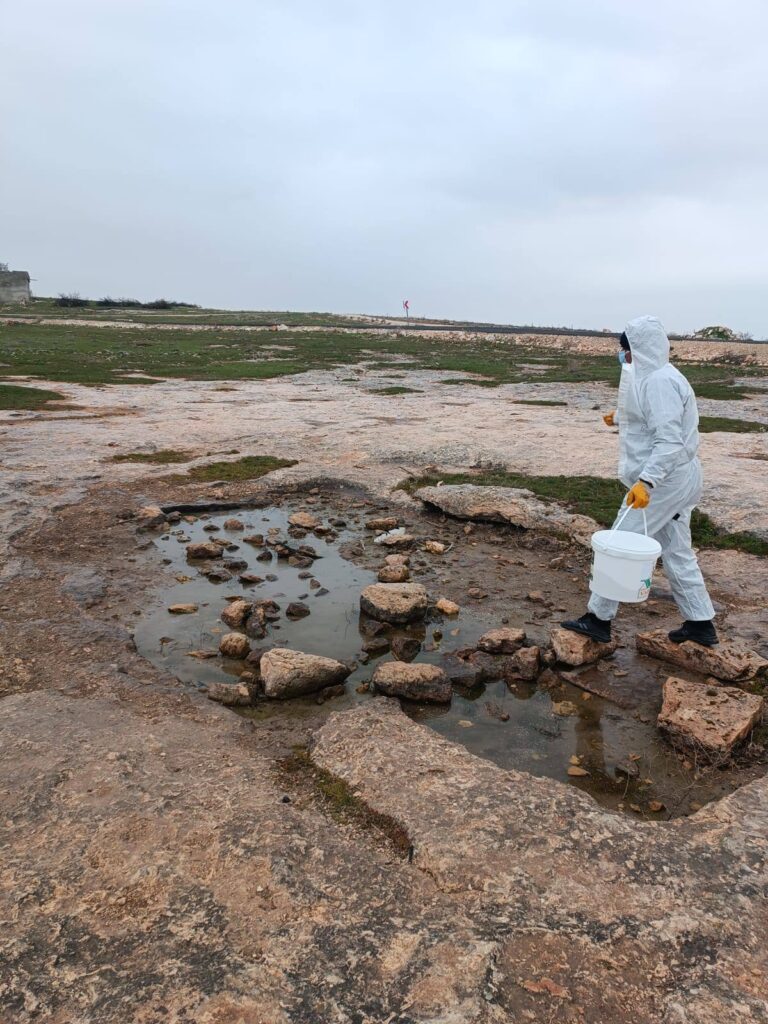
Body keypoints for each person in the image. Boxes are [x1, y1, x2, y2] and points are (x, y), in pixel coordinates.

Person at [562, 315, 719, 648]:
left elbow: (669, 440)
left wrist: (646, 483)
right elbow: (650, 417)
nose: (624, 357)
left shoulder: (660, 382)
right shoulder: (657, 376)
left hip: (664, 482)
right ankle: (701, 623)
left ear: (641, 349)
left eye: (626, 350)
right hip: (678, 478)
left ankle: (598, 620)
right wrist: (618, 417)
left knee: (619, 542)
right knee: (677, 550)